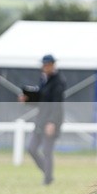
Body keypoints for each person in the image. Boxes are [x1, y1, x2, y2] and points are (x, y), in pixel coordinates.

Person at [18, 54, 66, 185]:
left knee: (47, 151)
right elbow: (42, 100)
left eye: (48, 64)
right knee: (32, 148)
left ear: (53, 65)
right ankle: (47, 173)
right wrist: (27, 100)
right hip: (41, 119)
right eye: (44, 65)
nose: (45, 67)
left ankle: (47, 179)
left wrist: (52, 122)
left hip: (51, 120)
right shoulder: (44, 79)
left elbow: (57, 104)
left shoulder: (58, 82)